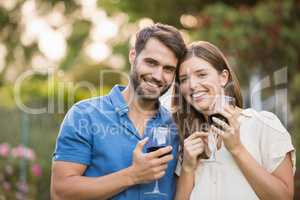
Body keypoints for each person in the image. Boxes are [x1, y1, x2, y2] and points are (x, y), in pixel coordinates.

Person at [51, 23, 186, 200]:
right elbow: (61, 192)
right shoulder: (84, 115)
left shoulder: (177, 126)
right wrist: (132, 175)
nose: (158, 76)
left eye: (168, 69)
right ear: (133, 55)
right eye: (151, 62)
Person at [172, 41, 295, 200]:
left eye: (201, 74)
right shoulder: (188, 137)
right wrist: (187, 167)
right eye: (184, 79)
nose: (192, 85)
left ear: (223, 77)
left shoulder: (263, 124)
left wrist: (237, 149)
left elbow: (284, 197)